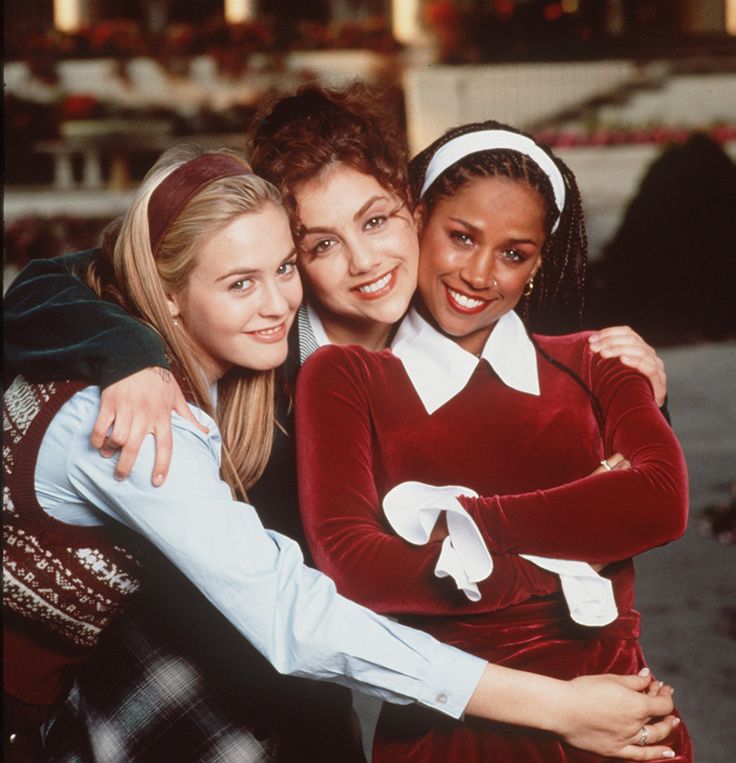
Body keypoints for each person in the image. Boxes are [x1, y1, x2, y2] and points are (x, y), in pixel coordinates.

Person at [3, 87, 675, 762]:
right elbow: (55, 282)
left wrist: (635, 398)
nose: (364, 262)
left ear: (414, 209)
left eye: (377, 221)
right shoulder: (262, 344)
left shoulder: (457, 308)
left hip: (348, 662)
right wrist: (127, 352)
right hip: (210, 645)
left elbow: (565, 443)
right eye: (322, 244)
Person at [294, 120, 692, 761]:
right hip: (452, 737)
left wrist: (462, 526)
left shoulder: (597, 360)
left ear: (539, 262)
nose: (480, 274)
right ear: (417, 220)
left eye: (514, 253)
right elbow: (354, 566)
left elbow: (661, 502)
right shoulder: (346, 377)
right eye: (461, 237)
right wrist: (579, 524)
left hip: (624, 728)